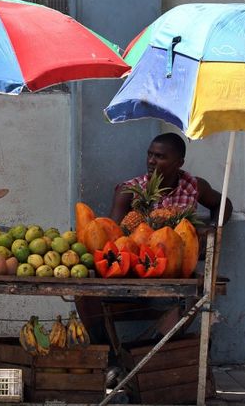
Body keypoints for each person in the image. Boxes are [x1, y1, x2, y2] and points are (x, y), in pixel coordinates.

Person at [75, 132, 233, 344]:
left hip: (176, 271)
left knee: (198, 294)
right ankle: (109, 354)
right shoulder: (129, 190)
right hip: (135, 268)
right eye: (150, 155)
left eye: (160, 156)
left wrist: (211, 229)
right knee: (82, 294)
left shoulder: (194, 186)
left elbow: (223, 205)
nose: (151, 161)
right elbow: (112, 237)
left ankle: (148, 353)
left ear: (179, 162)